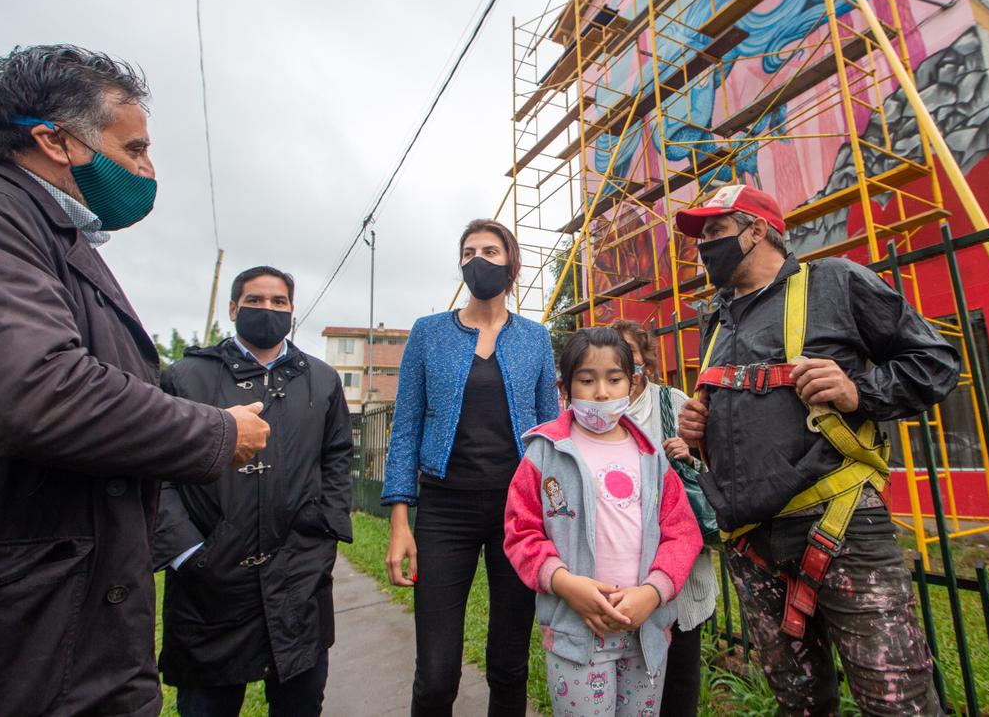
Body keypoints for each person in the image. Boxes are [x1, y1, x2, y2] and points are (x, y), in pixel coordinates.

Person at [0, 44, 270, 717]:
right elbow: (36, 391)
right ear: (54, 140)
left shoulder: (46, 236)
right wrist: (215, 431)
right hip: (24, 641)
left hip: (68, 621)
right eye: (134, 150)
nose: (148, 171)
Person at [674, 184, 960, 715]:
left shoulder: (835, 283)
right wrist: (701, 426)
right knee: (798, 703)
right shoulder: (716, 318)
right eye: (700, 237)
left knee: (897, 701)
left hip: (838, 523)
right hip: (751, 542)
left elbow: (936, 363)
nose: (702, 247)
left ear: (756, 229)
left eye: (714, 232)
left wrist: (860, 392)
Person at [152, 266, 353, 716]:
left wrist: (327, 527)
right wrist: (186, 551)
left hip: (299, 577)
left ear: (292, 311)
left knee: (301, 702)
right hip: (211, 581)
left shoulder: (321, 380)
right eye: (255, 301)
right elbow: (156, 471)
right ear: (233, 308)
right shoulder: (186, 378)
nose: (268, 310)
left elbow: (338, 456)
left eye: (279, 302)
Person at [383, 218, 561, 715]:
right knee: (436, 674)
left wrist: (557, 514)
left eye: (490, 250)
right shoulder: (428, 333)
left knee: (509, 666)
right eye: (468, 252)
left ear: (512, 263)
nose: (477, 259)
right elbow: (406, 427)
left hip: (518, 514)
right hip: (445, 511)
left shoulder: (535, 337)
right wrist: (401, 521)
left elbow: (551, 434)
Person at [504, 327, 703, 717]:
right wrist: (566, 584)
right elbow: (520, 531)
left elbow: (682, 533)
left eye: (614, 379)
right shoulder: (544, 455)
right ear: (565, 387)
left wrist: (653, 593)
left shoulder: (652, 456)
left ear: (632, 384)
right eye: (587, 380)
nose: (601, 393)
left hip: (645, 633)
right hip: (575, 637)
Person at [611, 320, 716, 717]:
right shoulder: (596, 410)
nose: (623, 366)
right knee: (628, 686)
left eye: (631, 357)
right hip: (620, 579)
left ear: (646, 363)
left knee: (679, 685)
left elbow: (717, 470)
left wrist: (690, 458)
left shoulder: (673, 402)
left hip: (681, 581)